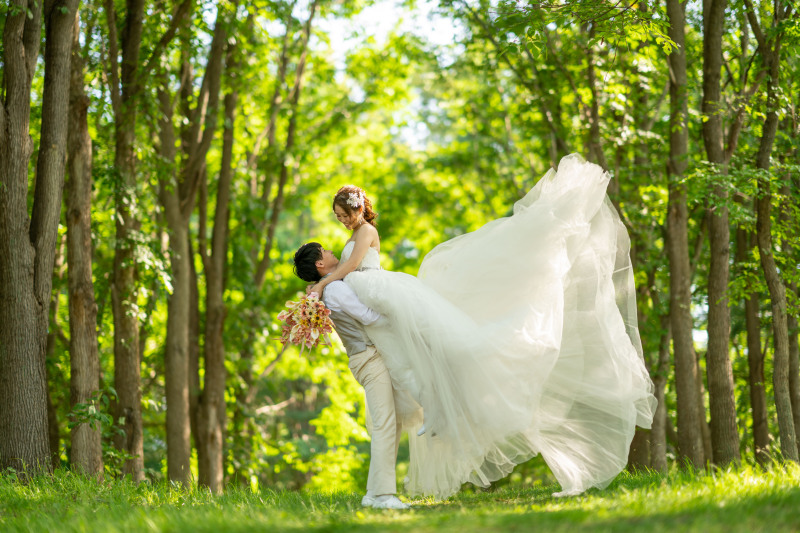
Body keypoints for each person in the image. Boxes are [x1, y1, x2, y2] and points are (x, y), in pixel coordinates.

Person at [301, 154, 657, 501]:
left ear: (357, 209)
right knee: (407, 358)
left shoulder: (364, 232)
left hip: (383, 292)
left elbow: (355, 266)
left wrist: (322, 283)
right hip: (376, 298)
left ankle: (441, 407)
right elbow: (345, 278)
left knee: (434, 346)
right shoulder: (343, 258)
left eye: (343, 215)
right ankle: (433, 411)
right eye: (338, 218)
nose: (342, 222)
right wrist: (324, 284)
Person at [293, 243, 415, 510]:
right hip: (369, 359)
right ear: (319, 264)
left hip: (365, 358)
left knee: (390, 425)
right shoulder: (334, 288)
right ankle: (384, 496)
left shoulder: (328, 287)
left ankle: (374, 493)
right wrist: (400, 313)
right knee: (384, 424)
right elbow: (367, 317)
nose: (330, 252)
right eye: (324, 251)